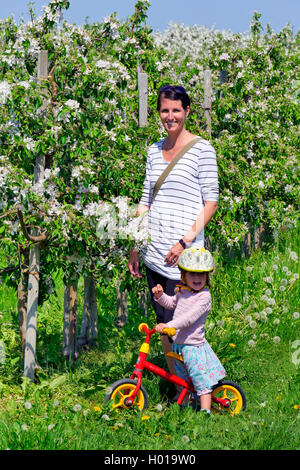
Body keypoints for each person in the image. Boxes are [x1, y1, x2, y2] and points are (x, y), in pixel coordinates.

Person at [127, 85, 219, 394]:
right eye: (165, 110)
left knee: (185, 326)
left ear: (187, 111)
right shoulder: (154, 150)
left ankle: (201, 384)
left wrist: (184, 241)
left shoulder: (202, 149)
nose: (170, 116)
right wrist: (135, 244)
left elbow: (211, 202)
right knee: (163, 320)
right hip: (154, 252)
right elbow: (145, 200)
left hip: (185, 256)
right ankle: (180, 385)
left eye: (176, 110)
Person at [153, 247, 226, 413]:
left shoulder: (204, 297)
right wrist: (160, 296)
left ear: (207, 276)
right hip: (179, 345)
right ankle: (188, 404)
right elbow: (172, 304)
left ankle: (205, 411)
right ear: (183, 275)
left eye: (201, 274)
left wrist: (169, 326)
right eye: (192, 273)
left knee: (200, 380)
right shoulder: (182, 291)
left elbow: (189, 318)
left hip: (193, 347)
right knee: (183, 379)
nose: (197, 278)